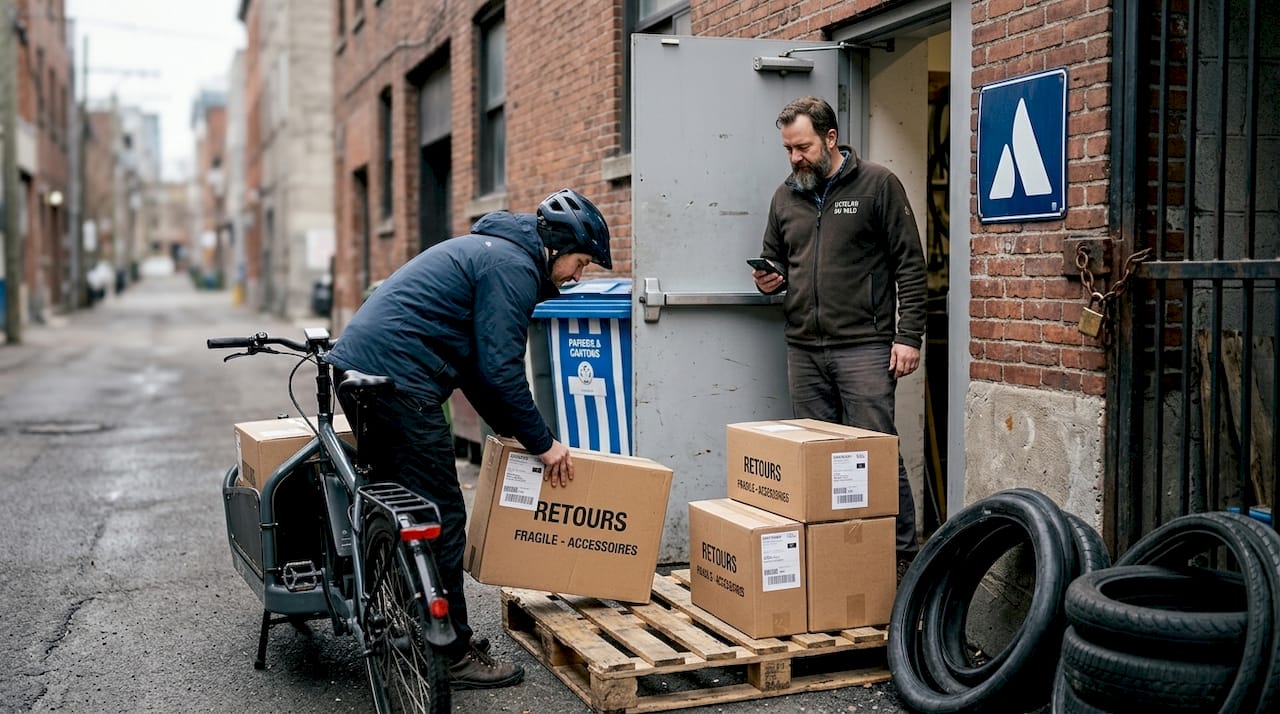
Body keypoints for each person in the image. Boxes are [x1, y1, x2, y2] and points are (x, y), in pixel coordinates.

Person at [325, 188, 612, 689]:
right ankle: (452, 655)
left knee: (405, 507)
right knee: (441, 516)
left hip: (366, 371)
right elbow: (500, 372)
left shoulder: (496, 253)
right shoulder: (514, 268)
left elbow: (478, 370)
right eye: (581, 262)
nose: (576, 276)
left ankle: (421, 626)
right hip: (398, 381)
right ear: (556, 246)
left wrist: (512, 433)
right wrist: (545, 444)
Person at [751, 96, 927, 573]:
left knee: (874, 453)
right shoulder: (785, 196)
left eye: (803, 147)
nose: (795, 158)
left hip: (864, 348)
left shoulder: (877, 185)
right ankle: (836, 559)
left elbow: (911, 265)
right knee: (818, 462)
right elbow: (775, 260)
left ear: (831, 138)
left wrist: (908, 336)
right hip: (805, 349)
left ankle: (900, 559)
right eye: (788, 149)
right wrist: (770, 279)